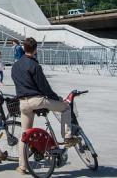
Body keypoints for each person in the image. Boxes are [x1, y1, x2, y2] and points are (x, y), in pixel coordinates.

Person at [12, 37, 75, 175]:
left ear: (23, 48)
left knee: (24, 134)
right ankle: (67, 136)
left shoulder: (15, 66)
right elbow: (44, 87)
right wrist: (56, 98)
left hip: (22, 102)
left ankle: (22, 166)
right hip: (37, 100)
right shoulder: (34, 65)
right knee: (65, 107)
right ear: (35, 49)